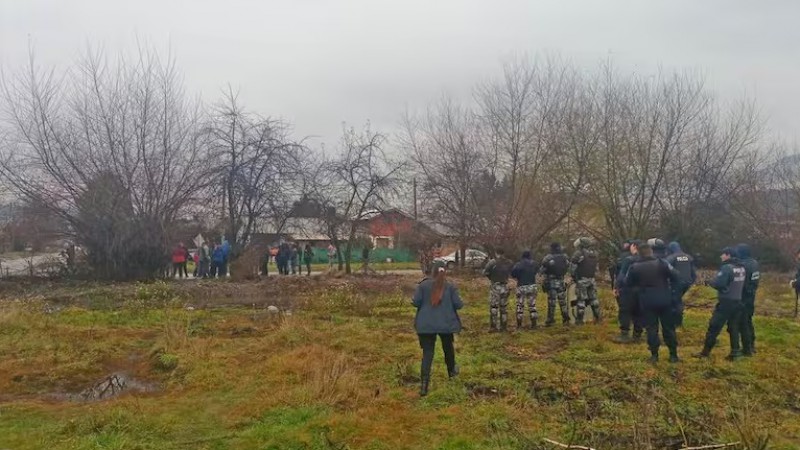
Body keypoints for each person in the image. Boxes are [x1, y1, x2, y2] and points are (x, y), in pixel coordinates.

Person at [412, 260, 463, 397]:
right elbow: (459, 305)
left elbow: (415, 302)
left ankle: (424, 385)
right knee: (448, 348)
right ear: (444, 272)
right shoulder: (450, 287)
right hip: (445, 324)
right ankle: (452, 374)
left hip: (426, 325)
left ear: (432, 271)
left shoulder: (423, 286)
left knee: (427, 354)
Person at [625, 243, 681, 363]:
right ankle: (673, 355)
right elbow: (676, 276)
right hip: (665, 298)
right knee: (669, 328)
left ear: (639, 253)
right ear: (651, 252)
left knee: (651, 329)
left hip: (647, 300)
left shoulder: (634, 267)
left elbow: (628, 282)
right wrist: (671, 290)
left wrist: (639, 288)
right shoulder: (662, 263)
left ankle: (654, 356)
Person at [695, 247, 746, 360]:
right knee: (734, 328)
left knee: (714, 326)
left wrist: (709, 282)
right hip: (738, 301)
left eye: (722, 254)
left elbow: (719, 284)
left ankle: (705, 353)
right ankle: (735, 352)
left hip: (726, 302)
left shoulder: (727, 268)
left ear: (728, 255)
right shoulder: (741, 267)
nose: (721, 256)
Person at [614, 240, 643, 342]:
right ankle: (637, 335)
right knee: (639, 312)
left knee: (625, 311)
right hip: (642, 290)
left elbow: (622, 275)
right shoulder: (645, 259)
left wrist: (616, 287)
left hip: (628, 289)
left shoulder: (628, 260)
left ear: (634, 246)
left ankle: (624, 335)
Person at [665, 241, 697, 327]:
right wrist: (691, 281)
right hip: (687, 283)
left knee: (675, 301)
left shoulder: (671, 258)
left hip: (676, 283)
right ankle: (676, 321)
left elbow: (667, 270)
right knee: (678, 300)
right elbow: (693, 272)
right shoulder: (689, 257)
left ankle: (676, 322)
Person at [736, 244, 760, 356]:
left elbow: (742, 283)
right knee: (749, 321)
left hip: (743, 297)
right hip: (751, 296)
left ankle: (747, 349)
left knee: (743, 323)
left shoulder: (743, 265)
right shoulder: (755, 263)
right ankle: (752, 345)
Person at [570, 237, 601, 325]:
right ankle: (598, 318)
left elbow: (573, 268)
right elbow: (596, 268)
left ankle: (580, 320)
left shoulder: (579, 253)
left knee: (581, 300)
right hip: (592, 279)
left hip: (582, 280)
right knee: (594, 299)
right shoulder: (594, 253)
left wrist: (574, 277)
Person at [540, 242, 571, 326]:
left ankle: (550, 320)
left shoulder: (548, 257)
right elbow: (568, 266)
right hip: (561, 281)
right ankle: (566, 318)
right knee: (563, 302)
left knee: (552, 302)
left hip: (551, 282)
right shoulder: (564, 257)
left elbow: (542, 269)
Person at [483, 248, 513, 332]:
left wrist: (491, 278)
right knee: (504, 308)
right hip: (505, 285)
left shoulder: (492, 262)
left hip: (495, 285)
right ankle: (504, 327)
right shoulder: (509, 262)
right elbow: (512, 272)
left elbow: (485, 272)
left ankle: (493, 327)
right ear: (503, 253)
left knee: (494, 307)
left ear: (496, 253)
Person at [511, 250, 540, 329]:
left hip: (521, 286)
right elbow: (537, 271)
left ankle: (519, 325)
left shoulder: (518, 264)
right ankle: (534, 324)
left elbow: (513, 274)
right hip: (532, 286)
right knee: (532, 305)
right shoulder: (534, 263)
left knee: (520, 306)